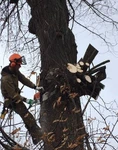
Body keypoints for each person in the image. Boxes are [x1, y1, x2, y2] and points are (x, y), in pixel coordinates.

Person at [0, 53, 43, 144]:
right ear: (13, 63)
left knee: (27, 116)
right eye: (19, 64)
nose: (20, 66)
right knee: (27, 117)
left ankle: (36, 136)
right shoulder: (6, 78)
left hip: (16, 97)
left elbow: (23, 79)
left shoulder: (14, 71)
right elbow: (13, 95)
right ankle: (38, 135)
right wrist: (26, 100)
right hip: (12, 101)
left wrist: (34, 87)